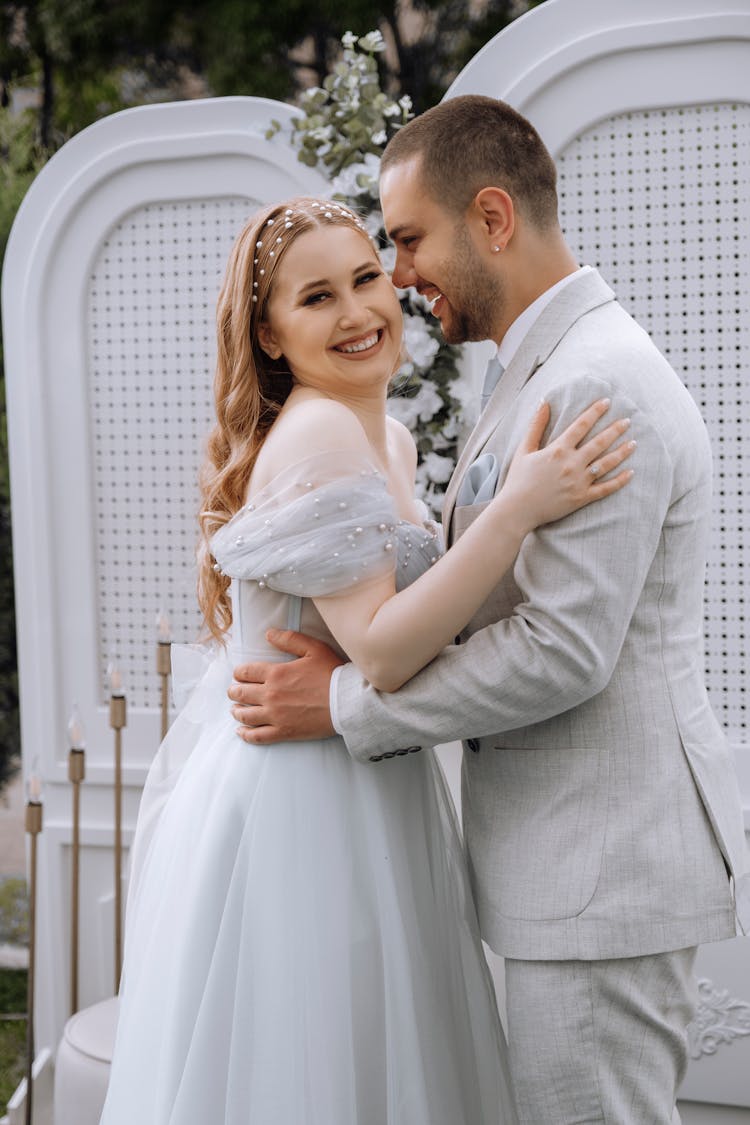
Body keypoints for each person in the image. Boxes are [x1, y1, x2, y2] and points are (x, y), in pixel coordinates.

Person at [228, 99, 750, 1125]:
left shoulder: (602, 383)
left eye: (409, 241)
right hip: (561, 867)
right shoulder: (534, 370)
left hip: (597, 874)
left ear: (495, 218)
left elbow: (562, 650)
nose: (402, 272)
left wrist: (338, 707)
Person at [99, 194, 634, 1125]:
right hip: (304, 809)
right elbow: (384, 650)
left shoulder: (380, 433)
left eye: (364, 279)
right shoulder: (318, 432)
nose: (357, 313)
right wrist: (516, 510)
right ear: (269, 335)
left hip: (368, 779)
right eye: (316, 299)